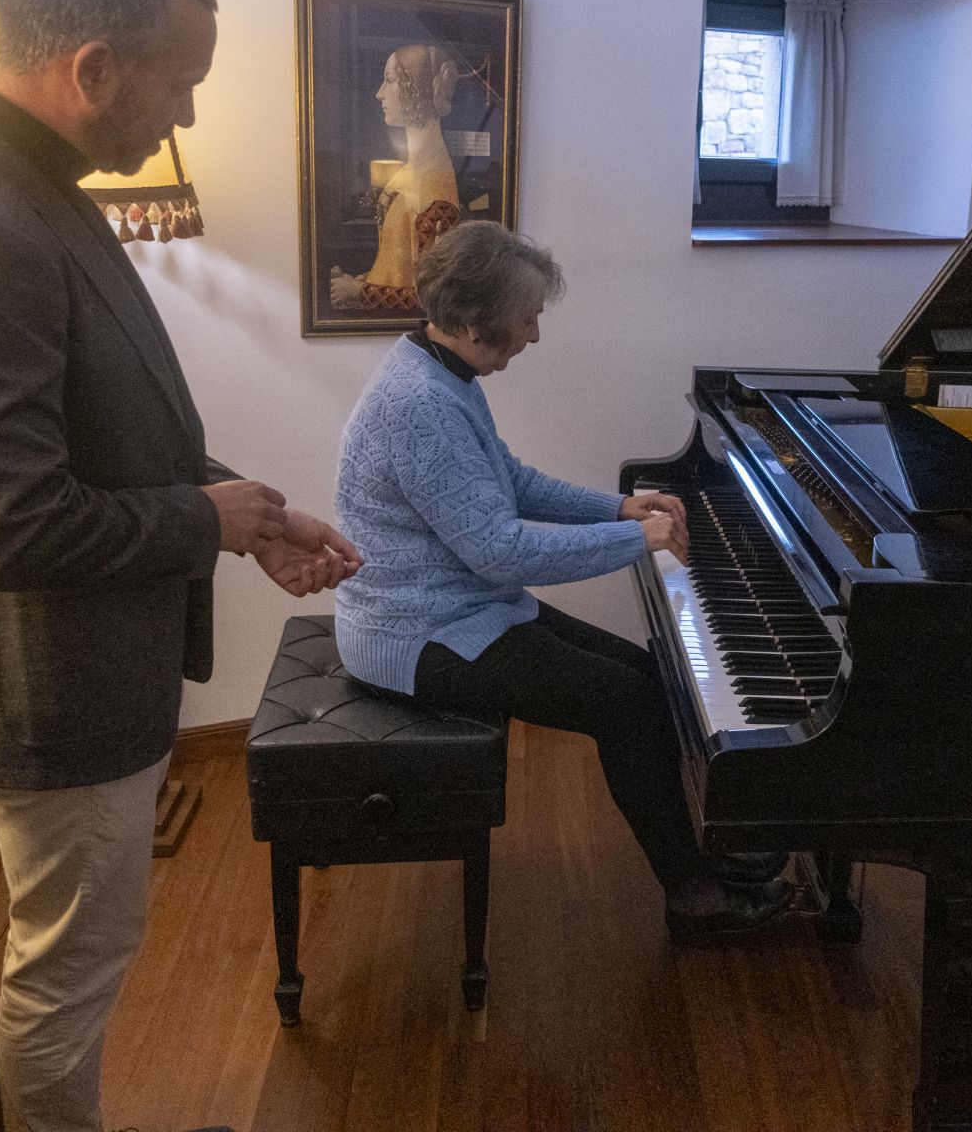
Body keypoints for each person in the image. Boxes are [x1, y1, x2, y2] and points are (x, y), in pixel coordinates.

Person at [0, 0, 360, 1132]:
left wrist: (251, 514)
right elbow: (15, 526)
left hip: (79, 671)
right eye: (179, 83)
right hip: (54, 687)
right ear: (91, 69)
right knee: (66, 973)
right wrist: (204, 516)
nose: (180, 117)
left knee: (75, 953)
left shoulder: (29, 181)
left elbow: (110, 424)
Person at [332, 220, 792, 941]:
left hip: (461, 610)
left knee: (646, 675)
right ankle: (693, 897)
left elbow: (507, 481)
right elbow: (502, 552)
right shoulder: (420, 403)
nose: (534, 335)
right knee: (624, 704)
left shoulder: (437, 368)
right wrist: (635, 539)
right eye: (527, 317)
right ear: (479, 318)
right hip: (415, 633)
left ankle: (701, 853)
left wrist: (614, 506)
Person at [328, 43, 462, 312]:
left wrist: (358, 291)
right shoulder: (414, 168)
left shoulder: (434, 185)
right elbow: (398, 266)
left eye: (389, 80)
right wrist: (366, 280)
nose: (379, 94)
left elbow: (434, 299)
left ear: (415, 90)